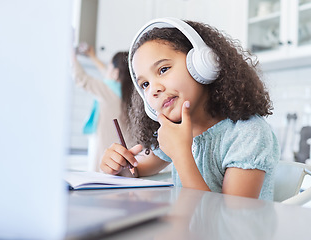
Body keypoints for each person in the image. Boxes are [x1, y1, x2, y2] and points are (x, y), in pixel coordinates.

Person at [100, 18, 280, 200]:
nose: (154, 89)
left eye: (163, 70)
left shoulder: (248, 134)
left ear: (202, 65)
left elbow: (230, 221)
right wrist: (121, 166)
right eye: (145, 84)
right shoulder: (178, 131)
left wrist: (181, 154)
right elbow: (137, 170)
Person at [72, 45, 134, 172]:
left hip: (108, 159)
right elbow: (108, 74)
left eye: (110, 66)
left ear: (116, 73)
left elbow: (81, 79)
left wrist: (70, 53)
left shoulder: (108, 91)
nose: (107, 70)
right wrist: (93, 57)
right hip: (128, 158)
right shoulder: (130, 95)